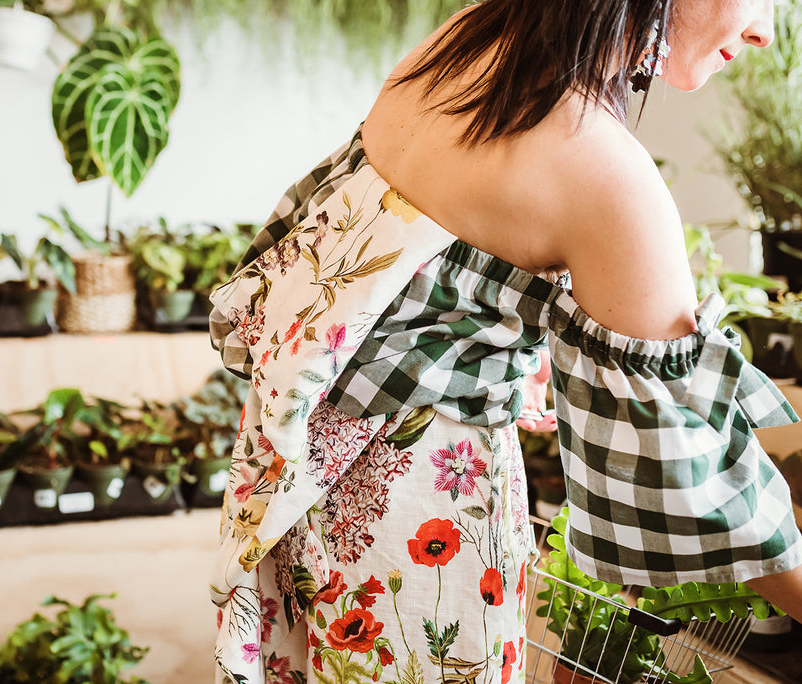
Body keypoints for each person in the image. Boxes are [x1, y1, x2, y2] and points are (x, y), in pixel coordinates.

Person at [208, 1, 802, 682]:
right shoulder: (603, 174)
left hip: (310, 493)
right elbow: (698, 488)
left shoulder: (467, 42)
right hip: (425, 531)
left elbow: (395, 292)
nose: (766, 29)